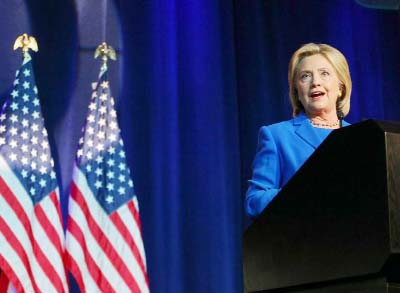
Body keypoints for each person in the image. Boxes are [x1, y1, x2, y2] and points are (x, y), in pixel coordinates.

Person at [245, 43, 352, 218]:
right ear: (297, 91)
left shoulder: (361, 138)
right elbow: (254, 202)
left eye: (324, 73)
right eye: (305, 76)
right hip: (303, 241)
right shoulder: (277, 136)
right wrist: (302, 191)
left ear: (341, 87)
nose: (315, 82)